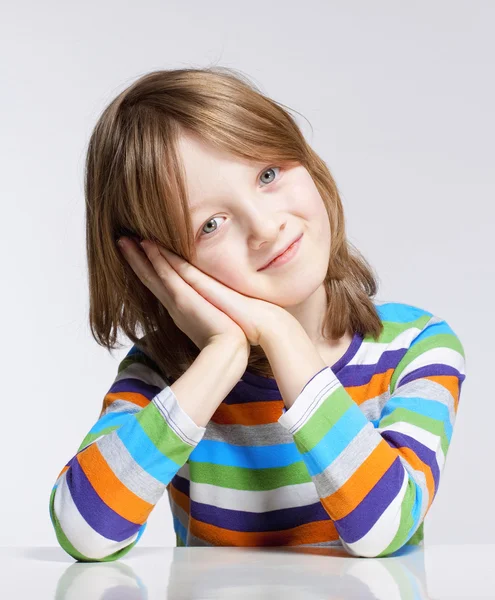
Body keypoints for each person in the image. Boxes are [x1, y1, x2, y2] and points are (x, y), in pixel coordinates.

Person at [49, 66, 466, 562]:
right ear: (162, 268)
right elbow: (85, 532)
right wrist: (222, 357)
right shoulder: (170, 377)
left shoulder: (417, 347)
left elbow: (385, 526)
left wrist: (281, 336)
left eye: (268, 174)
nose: (266, 227)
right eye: (211, 224)